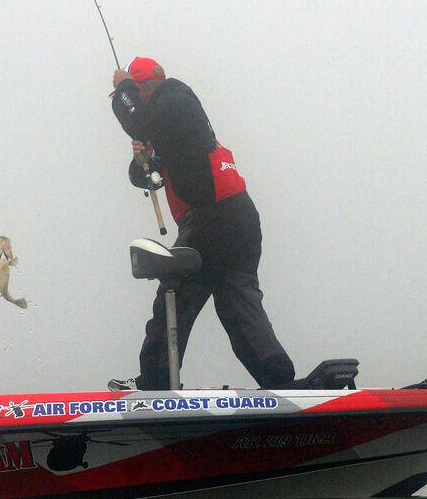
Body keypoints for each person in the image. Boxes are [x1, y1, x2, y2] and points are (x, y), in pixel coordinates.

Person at [108, 56, 296, 391]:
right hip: (238, 219)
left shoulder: (174, 99)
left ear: (143, 88)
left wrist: (122, 87)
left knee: (174, 293)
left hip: (214, 220)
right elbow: (148, 175)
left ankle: (154, 382)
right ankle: (279, 377)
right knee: (238, 303)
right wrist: (143, 162)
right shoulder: (170, 118)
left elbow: (136, 120)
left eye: (135, 92)